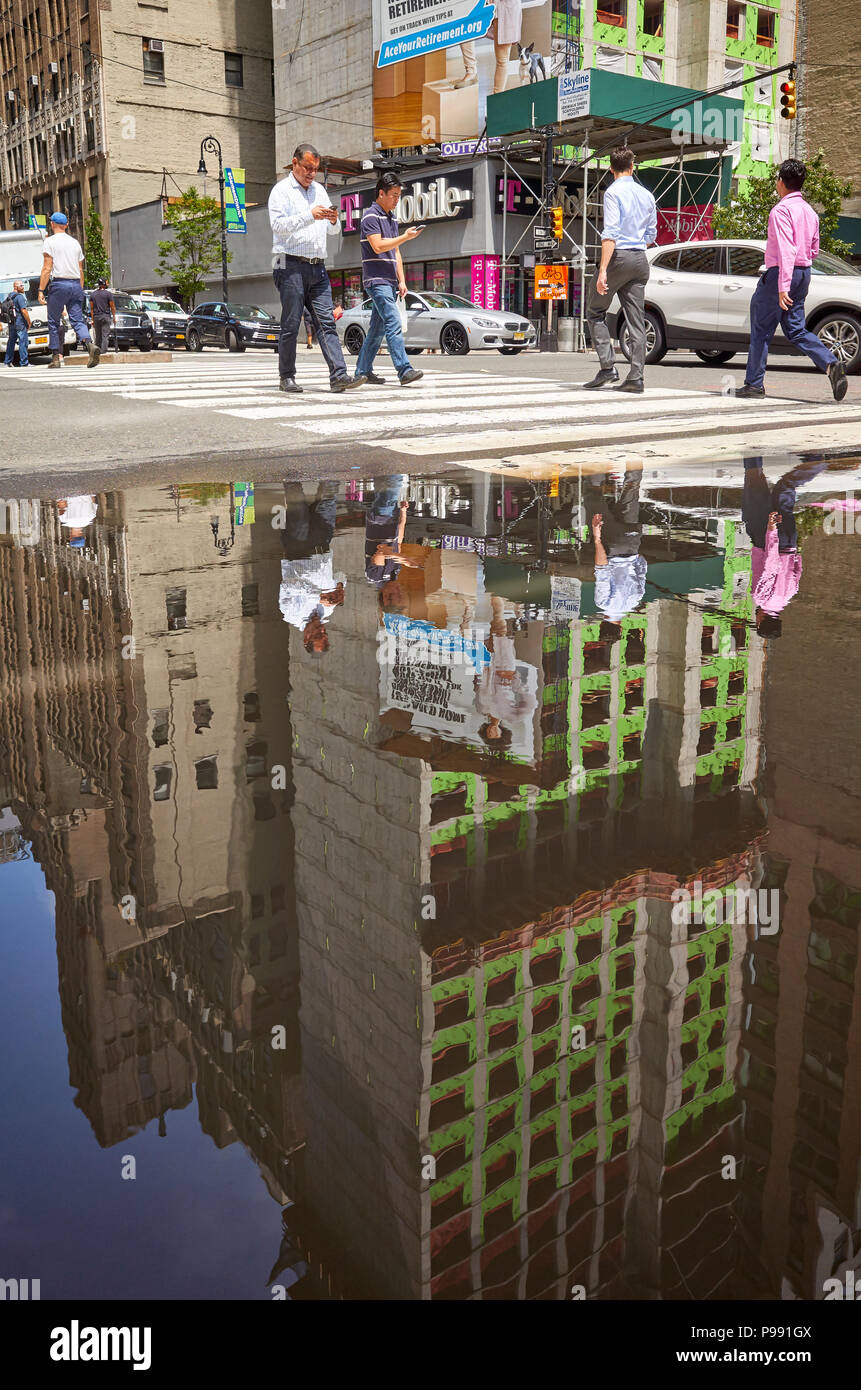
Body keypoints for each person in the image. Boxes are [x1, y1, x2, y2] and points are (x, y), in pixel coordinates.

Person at [737, 159, 847, 402]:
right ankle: (830, 363)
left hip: (781, 274)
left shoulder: (781, 211)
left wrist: (782, 285)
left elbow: (786, 249)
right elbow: (814, 249)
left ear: (781, 182)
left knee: (761, 329)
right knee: (795, 329)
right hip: (804, 272)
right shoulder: (809, 211)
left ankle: (754, 384)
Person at [268, 143, 364, 395]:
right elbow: (278, 226)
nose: (312, 173)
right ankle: (286, 376)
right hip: (289, 265)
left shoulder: (320, 190)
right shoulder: (281, 191)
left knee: (326, 323)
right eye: (308, 168)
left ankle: (339, 376)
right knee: (290, 323)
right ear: (295, 163)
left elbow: (332, 230)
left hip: (317, 267)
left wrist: (334, 220)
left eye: (315, 169)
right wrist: (310, 215)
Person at [583, 147, 657, 394]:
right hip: (640, 259)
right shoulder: (647, 195)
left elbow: (610, 234)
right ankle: (636, 377)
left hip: (618, 258)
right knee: (636, 321)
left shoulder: (613, 192)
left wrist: (603, 269)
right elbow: (651, 235)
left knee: (595, 311)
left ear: (611, 169)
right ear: (632, 166)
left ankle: (607, 368)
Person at [741, 455, 832, 635]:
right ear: (759, 622)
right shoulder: (762, 599)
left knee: (785, 490)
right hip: (768, 540)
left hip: (789, 542)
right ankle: (752, 456)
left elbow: (798, 568)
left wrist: (789, 546)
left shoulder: (789, 596)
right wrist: (772, 531)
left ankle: (817, 463)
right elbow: (770, 566)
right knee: (754, 495)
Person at [354, 171, 424, 387]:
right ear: (381, 193)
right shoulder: (370, 217)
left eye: (398, 195)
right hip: (376, 280)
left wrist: (401, 280)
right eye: (393, 195)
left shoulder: (391, 217)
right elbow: (378, 246)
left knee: (377, 329)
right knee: (392, 321)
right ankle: (404, 370)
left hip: (389, 281)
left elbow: (395, 251)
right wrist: (404, 236)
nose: (396, 200)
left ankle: (362, 371)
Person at [278, 481, 346, 654]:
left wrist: (318, 596)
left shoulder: (290, 613)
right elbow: (339, 575)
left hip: (298, 545)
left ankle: (290, 460)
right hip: (323, 541)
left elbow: (287, 586)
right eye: (325, 634)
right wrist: (340, 586)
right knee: (329, 495)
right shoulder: (327, 611)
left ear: (306, 638)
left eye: (317, 635)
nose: (322, 630)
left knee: (295, 498)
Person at [37, 211, 99, 369]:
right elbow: (81, 270)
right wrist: (80, 287)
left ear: (52, 224)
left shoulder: (49, 242)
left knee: (53, 321)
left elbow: (46, 268)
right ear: (65, 225)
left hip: (59, 284)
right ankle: (90, 345)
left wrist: (40, 290)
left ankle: (55, 358)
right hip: (75, 284)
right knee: (77, 320)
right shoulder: (75, 243)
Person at [474, 595, 536, 747]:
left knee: (491, 633)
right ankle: (498, 600)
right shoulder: (512, 716)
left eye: (489, 735)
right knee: (500, 631)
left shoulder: (481, 709)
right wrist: (515, 681)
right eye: (495, 735)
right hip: (504, 670)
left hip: (487, 668)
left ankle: (505, 605)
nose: (492, 732)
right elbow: (530, 702)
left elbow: (477, 687)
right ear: (502, 733)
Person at [585, 470, 647, 619]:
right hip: (612, 547)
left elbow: (643, 565)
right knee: (593, 494)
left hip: (632, 543)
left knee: (632, 489)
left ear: (619, 628)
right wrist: (597, 538)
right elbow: (602, 570)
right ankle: (597, 459)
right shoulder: (603, 604)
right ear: (604, 621)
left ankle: (635, 457)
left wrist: (631, 548)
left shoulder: (635, 600)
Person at [364, 476, 425, 584]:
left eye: (392, 596)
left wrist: (405, 559)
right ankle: (382, 464)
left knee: (393, 485)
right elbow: (398, 542)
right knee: (381, 483)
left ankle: (395, 463)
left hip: (380, 521)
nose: (398, 593)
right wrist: (403, 515)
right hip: (392, 519)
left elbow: (381, 551)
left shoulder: (375, 577)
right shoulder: (395, 573)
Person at [3, 279, 31, 367]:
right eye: (21, 286)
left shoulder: (9, 296)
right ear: (16, 287)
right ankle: (24, 362)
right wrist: (29, 322)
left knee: (11, 342)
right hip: (20, 323)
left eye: (23, 285)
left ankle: (7, 362)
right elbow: (24, 311)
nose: (23, 287)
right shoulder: (19, 297)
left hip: (12, 323)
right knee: (23, 342)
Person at [89, 278, 116, 353]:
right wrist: (114, 317)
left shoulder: (93, 294)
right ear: (104, 284)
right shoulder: (108, 294)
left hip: (96, 317)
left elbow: (91, 308)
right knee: (105, 335)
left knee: (98, 335)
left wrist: (92, 319)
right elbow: (112, 307)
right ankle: (104, 351)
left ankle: (97, 352)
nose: (108, 284)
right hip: (105, 316)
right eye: (107, 283)